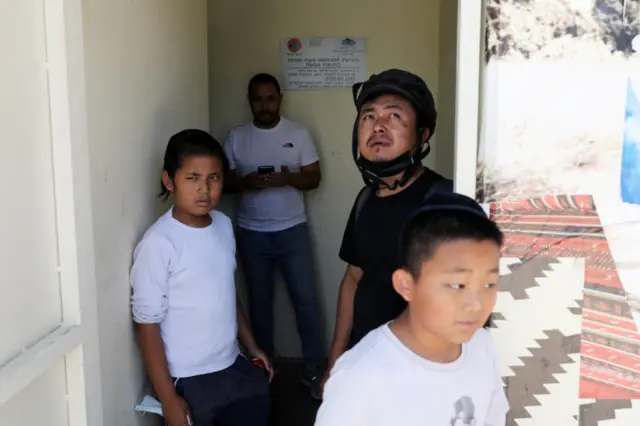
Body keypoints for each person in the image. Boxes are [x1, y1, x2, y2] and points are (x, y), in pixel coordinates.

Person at [315, 191, 509, 426]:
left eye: (489, 284)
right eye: (458, 285)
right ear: (406, 285)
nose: (477, 303)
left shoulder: (482, 347)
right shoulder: (361, 377)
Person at [322, 69, 454, 391]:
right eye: (368, 117)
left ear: (422, 135)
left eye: (394, 115)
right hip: (363, 367)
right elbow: (353, 281)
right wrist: (336, 364)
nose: (377, 126)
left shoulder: (445, 203)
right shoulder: (366, 199)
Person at [131, 129, 273, 426]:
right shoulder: (160, 243)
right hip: (188, 380)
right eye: (192, 178)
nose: (205, 190)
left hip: (233, 366)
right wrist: (168, 398)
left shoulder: (222, 224)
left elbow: (225, 290)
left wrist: (252, 346)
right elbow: (146, 325)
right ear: (169, 180)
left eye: (214, 177)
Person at [223, 73, 325, 397]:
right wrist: (246, 182)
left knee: (306, 303)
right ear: (249, 100)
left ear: (279, 98)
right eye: (258, 99)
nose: (264, 105)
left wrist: (289, 179)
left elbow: (315, 178)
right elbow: (223, 184)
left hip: (292, 230)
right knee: (260, 306)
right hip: (252, 234)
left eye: (270, 98)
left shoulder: (298, 132)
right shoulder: (237, 137)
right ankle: (264, 371)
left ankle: (313, 371)